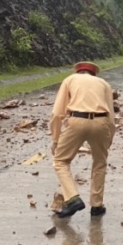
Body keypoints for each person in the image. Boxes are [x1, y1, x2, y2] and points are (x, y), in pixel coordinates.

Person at [50, 61, 115, 218]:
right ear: (94, 74)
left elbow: (57, 113)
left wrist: (55, 139)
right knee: (99, 163)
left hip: (76, 120)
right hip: (100, 122)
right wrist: (110, 136)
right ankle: (97, 206)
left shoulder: (70, 80)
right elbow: (111, 117)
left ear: (78, 72)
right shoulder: (103, 83)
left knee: (60, 161)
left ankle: (73, 198)